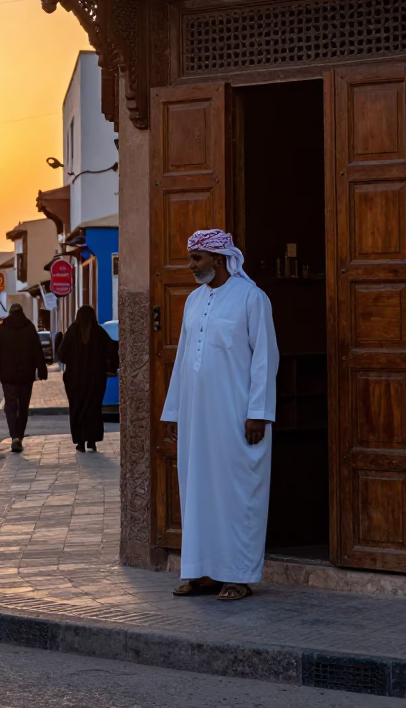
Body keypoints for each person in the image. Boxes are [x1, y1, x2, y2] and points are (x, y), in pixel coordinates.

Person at [160, 229, 279, 603]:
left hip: (237, 416)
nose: (191, 266)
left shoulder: (251, 299)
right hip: (197, 419)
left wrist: (258, 413)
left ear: (219, 258)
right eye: (191, 258)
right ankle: (201, 571)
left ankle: (238, 576)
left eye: (197, 259)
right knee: (197, 491)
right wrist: (175, 411)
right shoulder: (193, 301)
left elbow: (264, 358)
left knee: (237, 492)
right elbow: (182, 359)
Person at [0, 303, 47, 454]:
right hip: (26, 376)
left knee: (10, 406)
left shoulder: (2, 330)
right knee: (23, 407)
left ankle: (14, 435)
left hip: (7, 376)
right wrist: (42, 370)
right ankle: (19, 436)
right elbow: (37, 351)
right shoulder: (29, 328)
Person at [57, 305, 115, 453]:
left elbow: (62, 354)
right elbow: (112, 352)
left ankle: (80, 441)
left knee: (77, 409)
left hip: (75, 381)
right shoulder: (99, 332)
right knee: (94, 409)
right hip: (96, 381)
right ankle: (92, 441)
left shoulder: (72, 332)